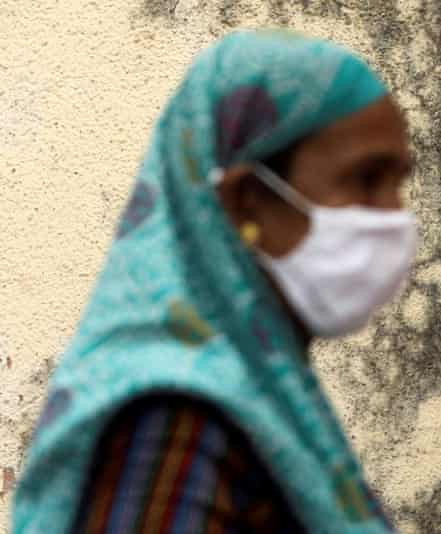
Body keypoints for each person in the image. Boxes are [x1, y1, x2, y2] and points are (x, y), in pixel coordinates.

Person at [12, 28, 416, 534]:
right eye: (365, 180)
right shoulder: (175, 424)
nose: (395, 218)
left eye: (398, 184)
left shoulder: (257, 394)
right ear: (247, 199)